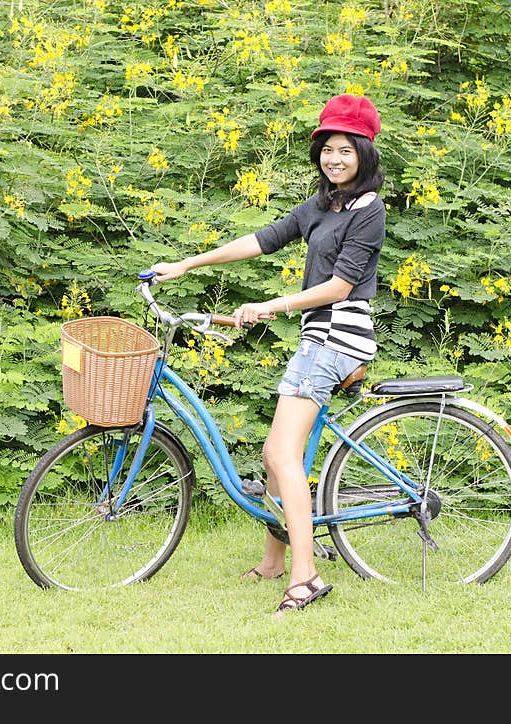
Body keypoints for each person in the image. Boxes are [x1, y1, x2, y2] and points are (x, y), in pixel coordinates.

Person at [151, 94, 386, 616]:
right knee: (275, 457)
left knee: (282, 454)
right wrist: (186, 264)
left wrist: (269, 305)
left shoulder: (369, 212)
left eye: (346, 150)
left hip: (336, 341)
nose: (335, 159)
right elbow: (263, 238)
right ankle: (274, 561)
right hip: (315, 339)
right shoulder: (324, 205)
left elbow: (340, 287)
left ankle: (306, 579)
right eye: (328, 148)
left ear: (365, 154)